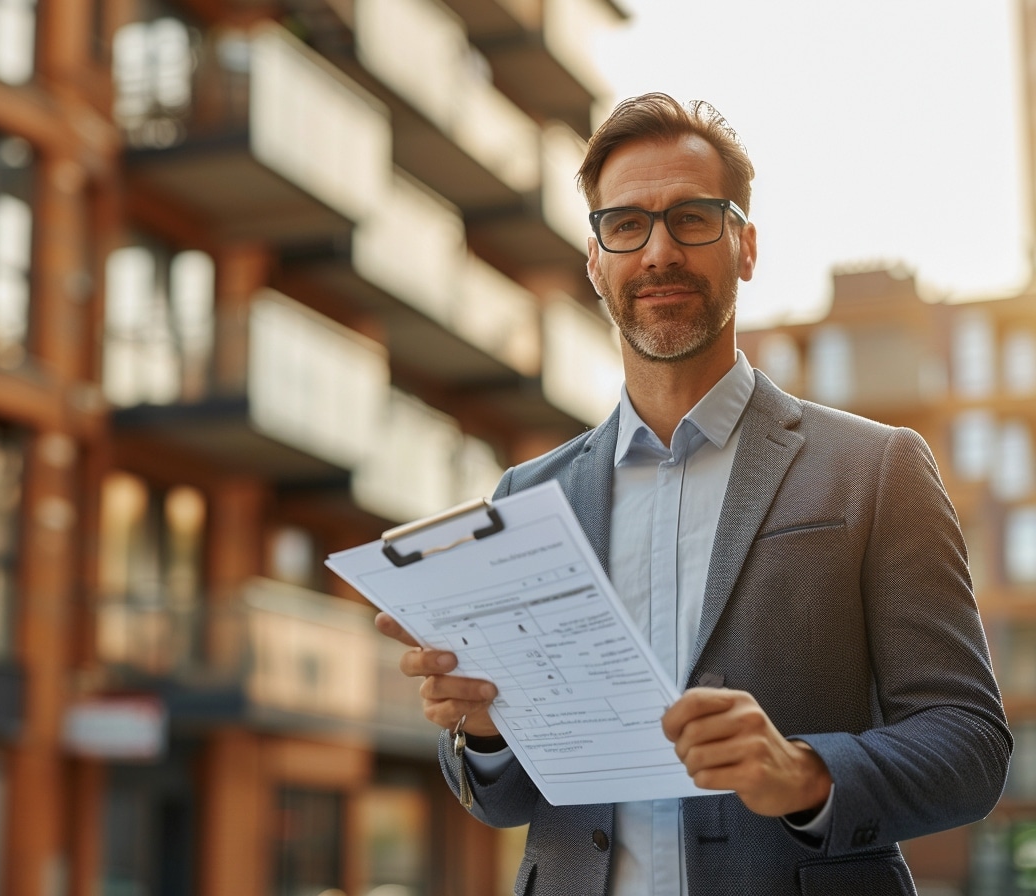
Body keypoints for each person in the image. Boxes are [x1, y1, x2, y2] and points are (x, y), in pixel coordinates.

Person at [374, 92, 1012, 896]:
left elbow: (970, 745)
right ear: (596, 263)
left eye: (693, 219)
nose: (658, 253)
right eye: (626, 225)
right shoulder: (530, 496)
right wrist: (487, 731)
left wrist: (806, 771)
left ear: (745, 246)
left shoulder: (876, 468)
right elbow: (503, 801)